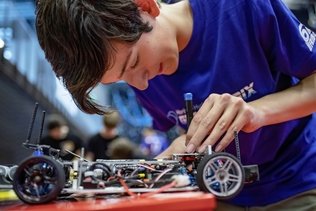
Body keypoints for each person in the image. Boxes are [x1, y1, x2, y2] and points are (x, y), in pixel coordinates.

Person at [35, 0, 316, 210]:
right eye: (122, 78)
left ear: (145, 7)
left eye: (132, 63)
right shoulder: (145, 78)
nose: (141, 85)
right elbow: (184, 137)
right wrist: (170, 156)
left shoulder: (237, 8)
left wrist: (257, 112)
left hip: (300, 180)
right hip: (221, 192)